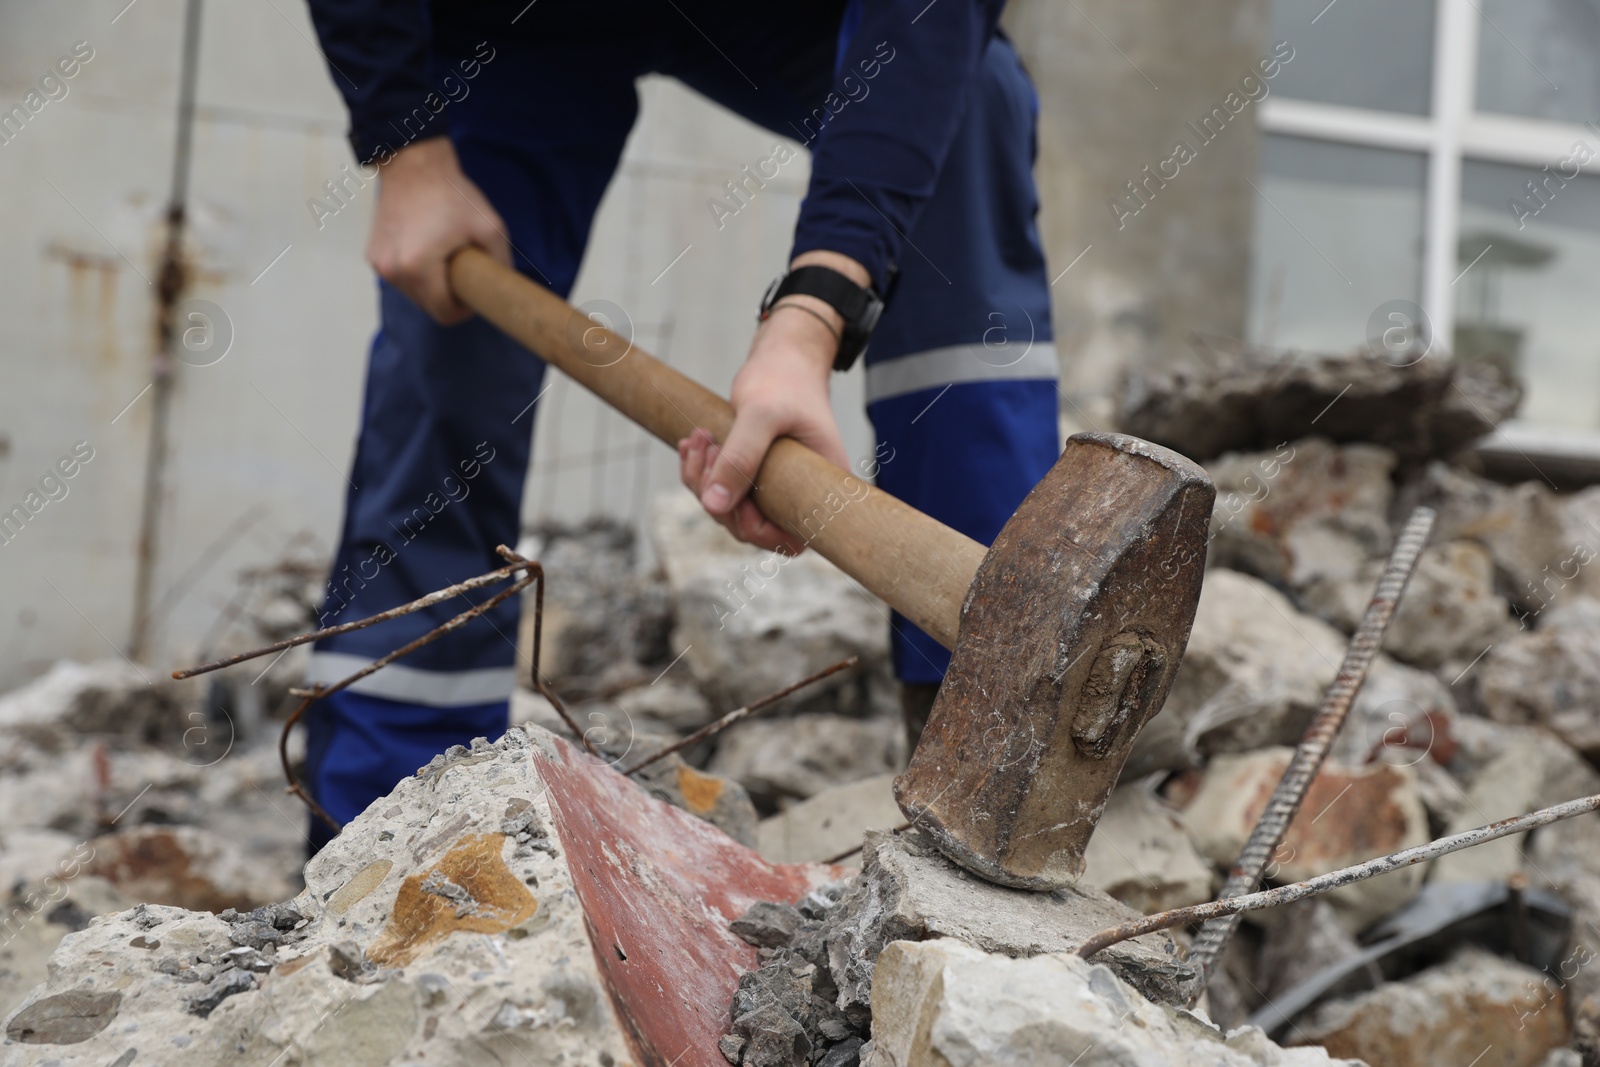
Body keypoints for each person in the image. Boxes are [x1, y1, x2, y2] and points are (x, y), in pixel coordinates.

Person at [300, 0, 1061, 850]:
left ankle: (993, 748)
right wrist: (405, 142)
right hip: (509, 25)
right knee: (450, 363)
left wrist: (814, 311)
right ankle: (383, 825)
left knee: (972, 108)